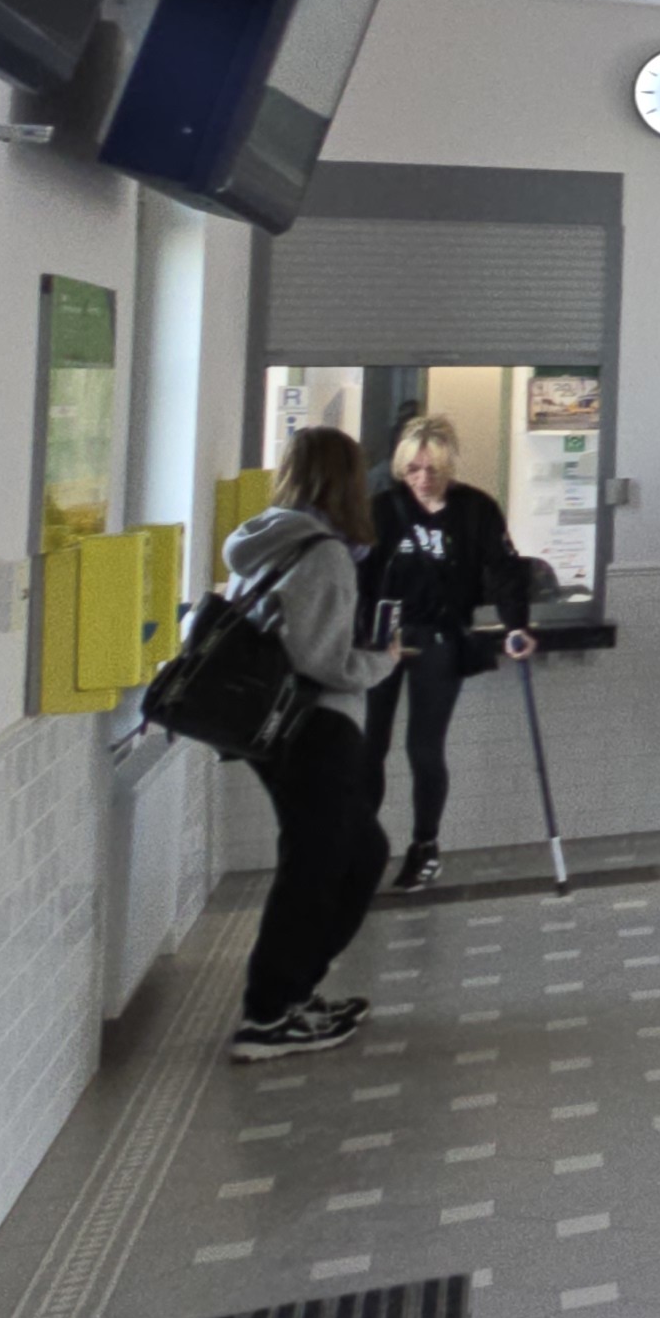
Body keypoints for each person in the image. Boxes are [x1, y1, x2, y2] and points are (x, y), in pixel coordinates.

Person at [222, 427, 405, 1059]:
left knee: (353, 853)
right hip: (316, 727)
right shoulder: (323, 553)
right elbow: (326, 662)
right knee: (320, 866)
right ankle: (269, 1014)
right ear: (347, 480)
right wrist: (383, 660)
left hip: (273, 728)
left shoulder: (267, 538)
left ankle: (291, 994)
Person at [360, 414, 537, 891]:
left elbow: (504, 570)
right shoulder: (384, 509)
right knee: (370, 745)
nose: (422, 479)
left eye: (432, 470)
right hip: (384, 637)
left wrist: (516, 626)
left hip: (439, 636)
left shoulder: (475, 510)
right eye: (413, 469)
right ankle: (360, 845)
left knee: (424, 746)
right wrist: (358, 631)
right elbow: (361, 575)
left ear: (449, 467)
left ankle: (425, 846)